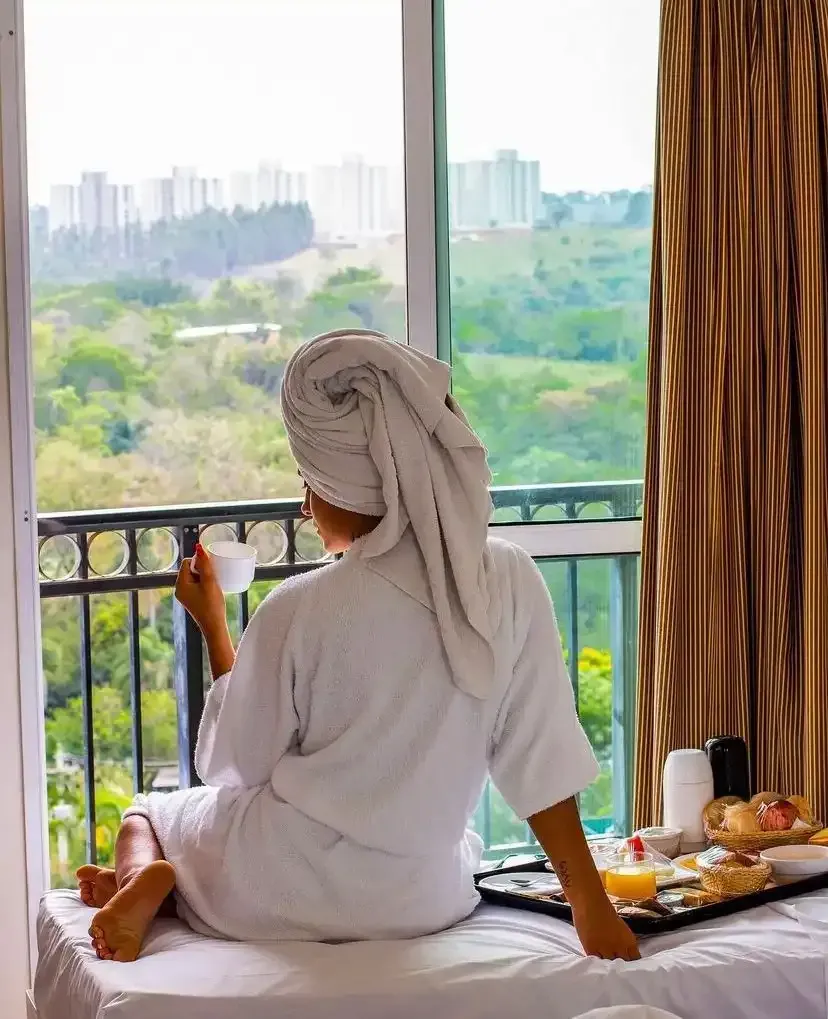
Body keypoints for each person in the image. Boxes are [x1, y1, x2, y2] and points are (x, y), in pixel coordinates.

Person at [77, 329, 639, 964]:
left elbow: (233, 765)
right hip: (420, 896)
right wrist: (593, 911)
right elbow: (540, 759)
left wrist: (214, 628)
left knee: (149, 813)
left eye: (309, 482)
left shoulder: (299, 605)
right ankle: (170, 889)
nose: (304, 503)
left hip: (280, 888)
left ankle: (145, 879)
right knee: (463, 844)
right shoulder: (504, 578)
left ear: (343, 487)